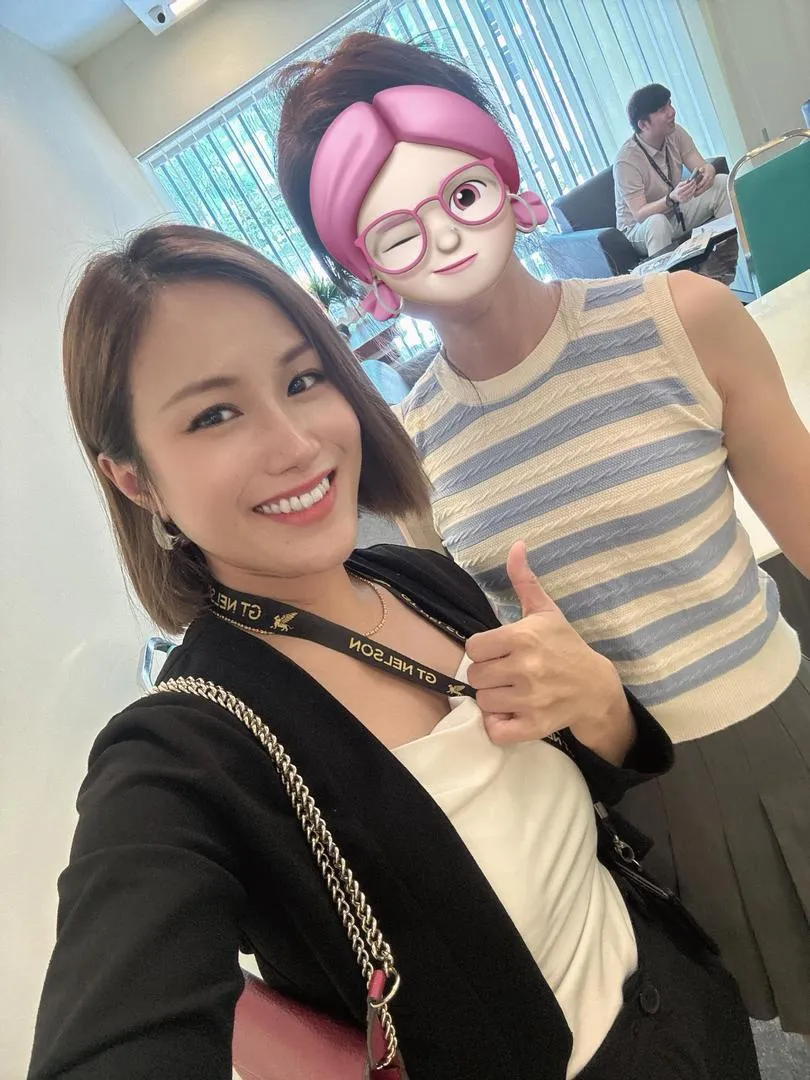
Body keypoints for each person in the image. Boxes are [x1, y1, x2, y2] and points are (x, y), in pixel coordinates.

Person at [28, 224, 761, 1080]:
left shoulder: (420, 580)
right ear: (136, 481)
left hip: (692, 1006)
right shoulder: (182, 753)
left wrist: (600, 703)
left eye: (302, 379)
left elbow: (579, 808)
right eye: (214, 414)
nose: (296, 444)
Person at [275, 31, 810, 1039]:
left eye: (458, 191)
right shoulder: (411, 453)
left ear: (499, 171)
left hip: (779, 735)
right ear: (360, 267)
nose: (441, 233)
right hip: (618, 808)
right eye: (394, 228)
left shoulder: (682, 318)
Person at [613, 83, 732, 257]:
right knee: (657, 222)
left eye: (670, 104)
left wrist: (709, 171)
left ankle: (727, 255)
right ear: (644, 125)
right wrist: (671, 199)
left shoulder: (675, 133)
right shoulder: (626, 160)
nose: (672, 112)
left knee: (722, 183)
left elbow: (701, 165)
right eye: (662, 110)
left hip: (676, 210)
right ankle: (665, 274)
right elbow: (640, 214)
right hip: (640, 229)